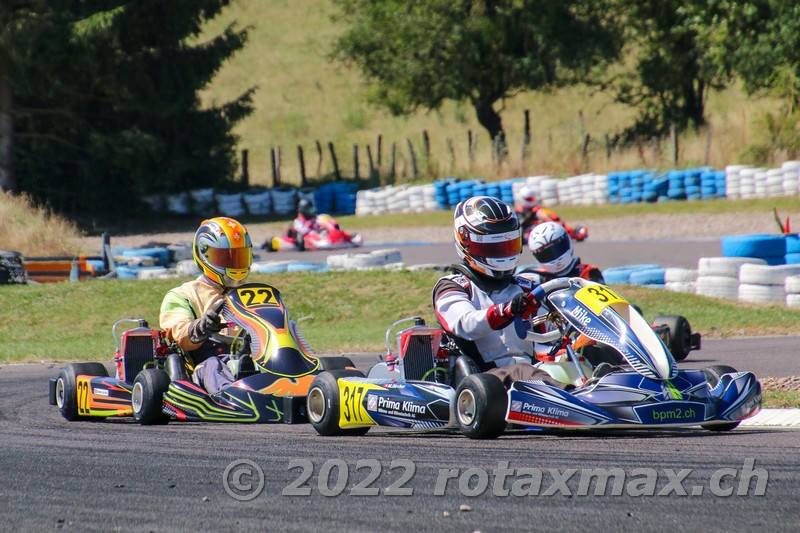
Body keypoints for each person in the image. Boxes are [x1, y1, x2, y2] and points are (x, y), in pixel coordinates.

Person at [432, 196, 572, 389]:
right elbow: (466, 324)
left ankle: (606, 386)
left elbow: (553, 327)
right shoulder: (452, 286)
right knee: (521, 371)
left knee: (589, 351)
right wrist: (506, 311)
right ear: (466, 242)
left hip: (532, 373)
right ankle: (573, 397)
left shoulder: (525, 288)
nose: (503, 253)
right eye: (494, 247)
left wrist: (572, 322)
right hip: (484, 380)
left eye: (508, 246)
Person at [159, 216, 254, 395]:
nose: (233, 265)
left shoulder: (253, 294)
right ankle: (233, 397)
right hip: (206, 365)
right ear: (203, 255)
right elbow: (179, 334)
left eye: (239, 257)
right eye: (225, 258)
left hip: (250, 361)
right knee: (213, 365)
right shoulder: (183, 295)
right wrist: (201, 327)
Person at [518, 222, 604, 284]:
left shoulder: (588, 271)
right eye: (546, 254)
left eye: (557, 248)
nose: (554, 256)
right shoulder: (532, 278)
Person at [514, 185, 588, 242]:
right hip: (530, 230)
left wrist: (545, 216)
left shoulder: (538, 208)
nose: (532, 200)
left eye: (533, 198)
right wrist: (531, 215)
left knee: (553, 222)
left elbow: (547, 214)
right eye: (530, 199)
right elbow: (520, 223)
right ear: (523, 199)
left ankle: (569, 231)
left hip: (544, 225)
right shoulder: (519, 210)